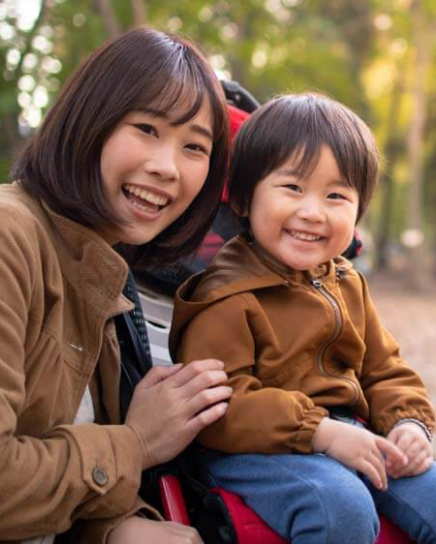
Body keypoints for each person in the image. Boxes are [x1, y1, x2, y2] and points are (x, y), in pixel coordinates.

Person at [0, 27, 233, 544]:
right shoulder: (10, 235)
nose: (166, 167)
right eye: (146, 128)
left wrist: (118, 530)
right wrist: (135, 444)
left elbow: (63, 472)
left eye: (194, 146)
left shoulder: (105, 273)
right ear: (89, 121)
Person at [170, 93, 436, 544]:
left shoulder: (346, 282)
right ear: (244, 199)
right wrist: (319, 432)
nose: (312, 212)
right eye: (292, 188)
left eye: (336, 196)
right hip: (253, 449)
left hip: (348, 431)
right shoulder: (226, 295)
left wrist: (408, 422)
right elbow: (219, 406)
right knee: (339, 509)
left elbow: (384, 368)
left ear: (357, 214)